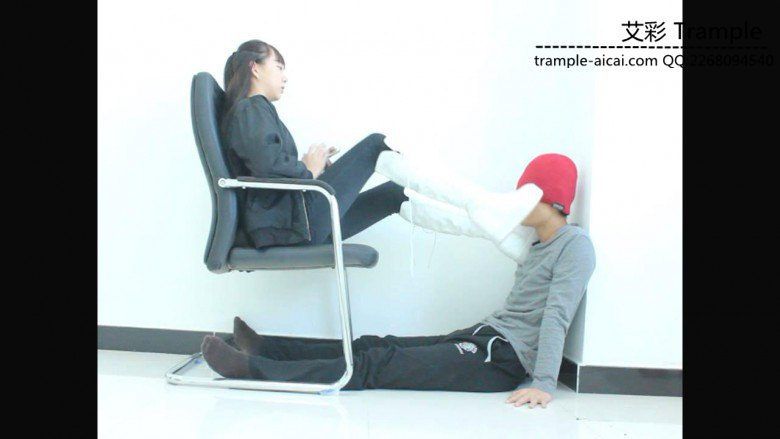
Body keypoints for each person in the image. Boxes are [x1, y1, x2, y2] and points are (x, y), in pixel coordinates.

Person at [201, 152, 597, 409]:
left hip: (502, 360)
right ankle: (269, 348)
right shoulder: (536, 244)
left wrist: (544, 382)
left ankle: (255, 370)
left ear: (553, 201)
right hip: (486, 335)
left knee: (378, 362)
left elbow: (557, 315)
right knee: (374, 344)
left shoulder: (575, 246)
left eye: (527, 195)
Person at [220, 39, 540, 252]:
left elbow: (266, 165)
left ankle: (501, 233)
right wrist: (308, 169)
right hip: (292, 226)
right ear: (255, 67)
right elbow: (268, 168)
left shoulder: (255, 112)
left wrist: (313, 168)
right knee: (376, 144)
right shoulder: (250, 108)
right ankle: (487, 204)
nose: (285, 76)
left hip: (296, 223)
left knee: (393, 194)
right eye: (278, 66)